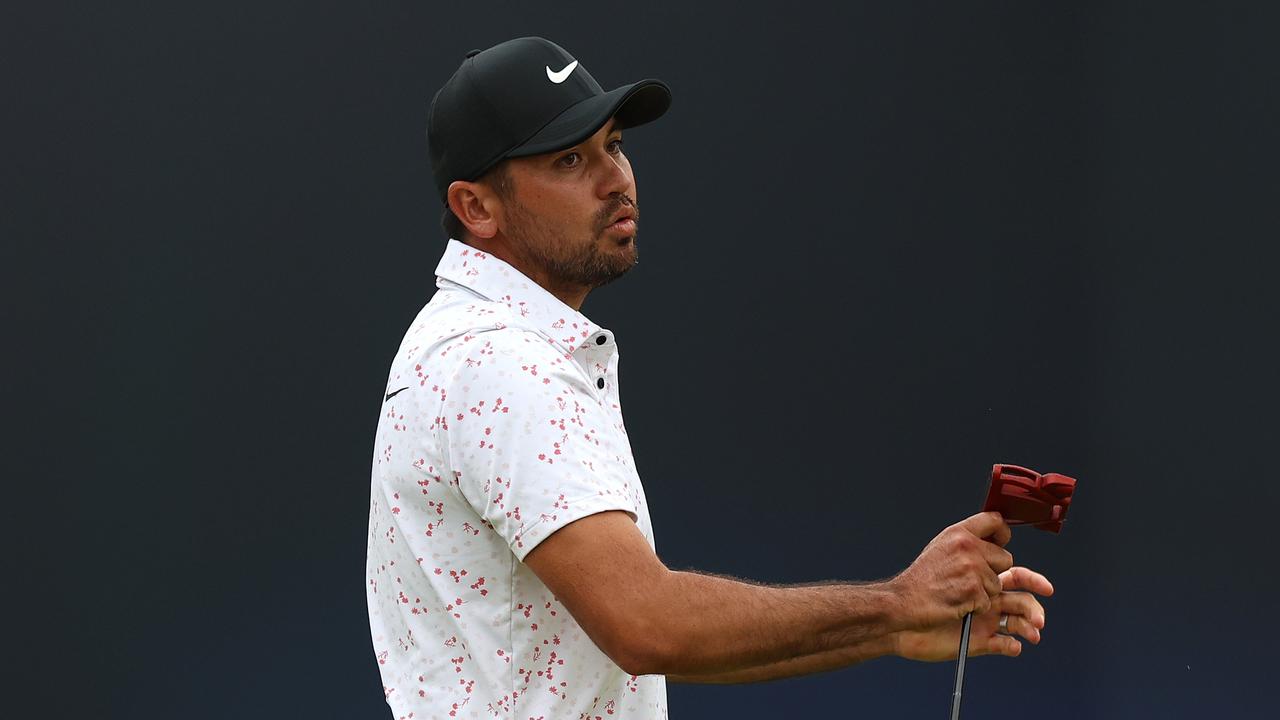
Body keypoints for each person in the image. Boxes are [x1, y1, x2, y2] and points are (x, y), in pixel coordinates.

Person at [365, 36, 1054, 719]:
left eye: (616, 145)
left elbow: (650, 644)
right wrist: (896, 603)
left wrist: (893, 627)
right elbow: (647, 625)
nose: (616, 179)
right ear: (477, 208)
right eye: (570, 159)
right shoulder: (499, 361)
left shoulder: (475, 344)